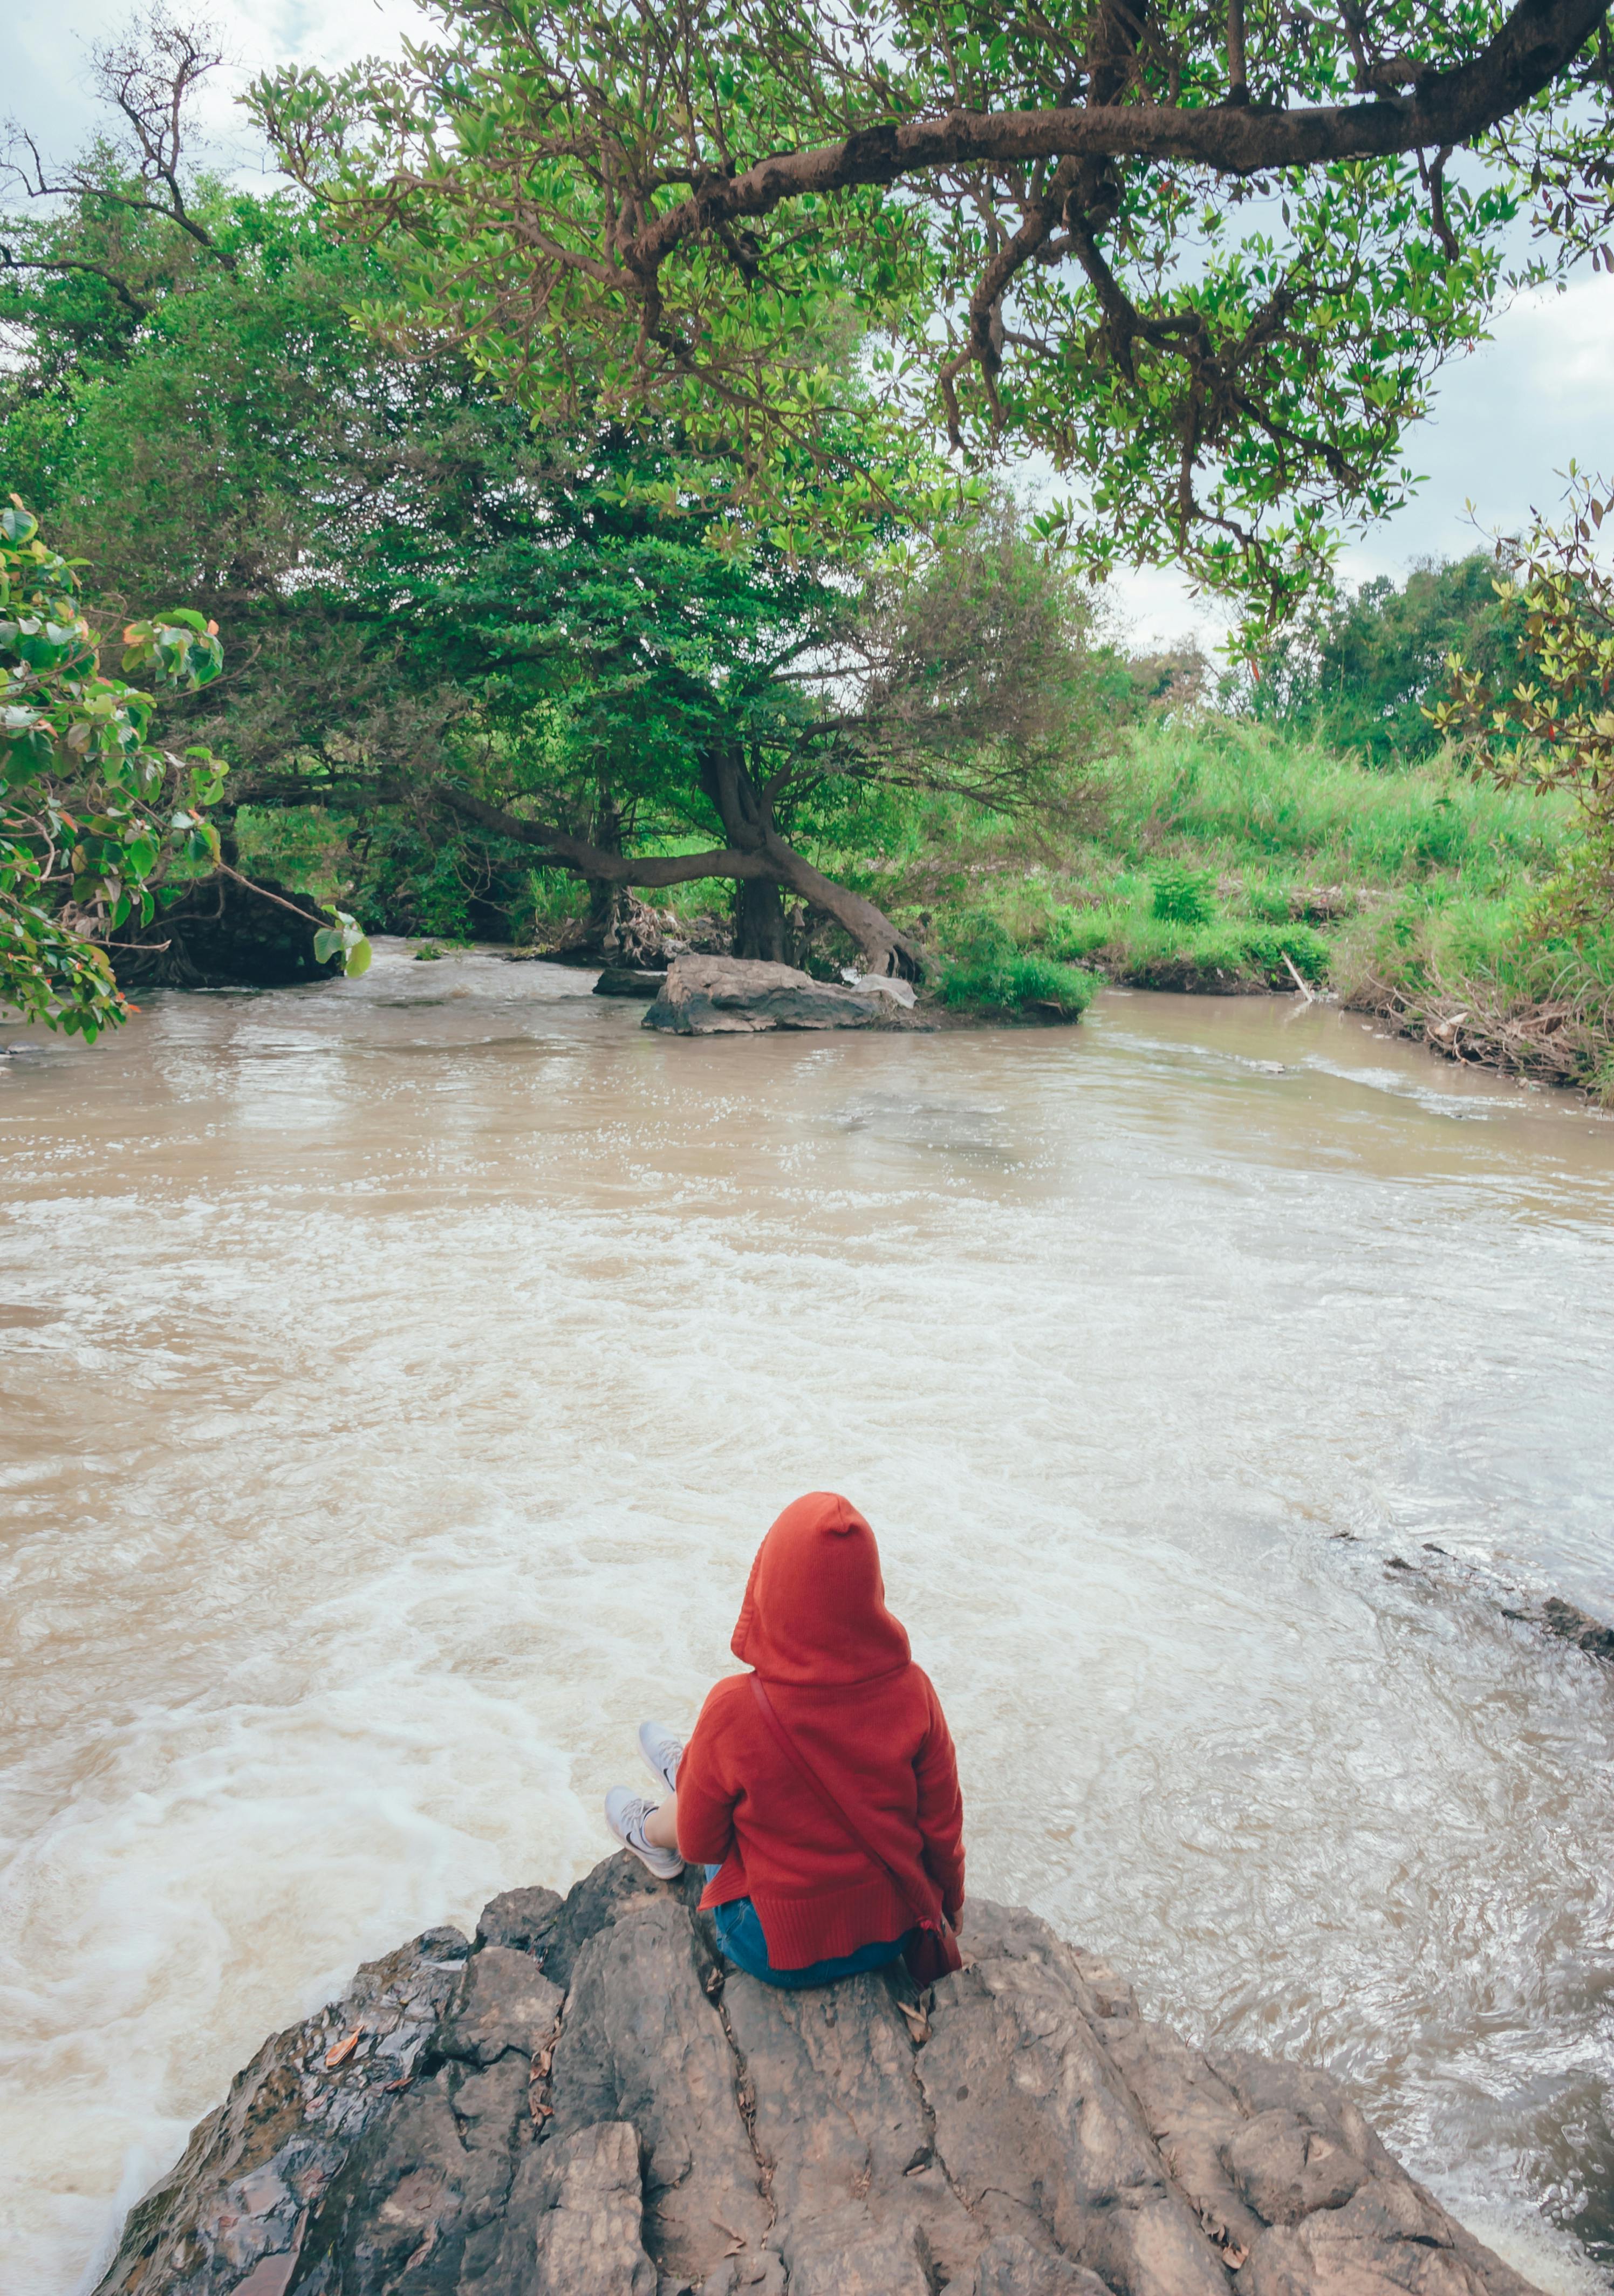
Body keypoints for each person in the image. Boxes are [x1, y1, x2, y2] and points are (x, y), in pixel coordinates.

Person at [604, 1490, 965, 1990]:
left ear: (770, 1585)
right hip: (892, 1932)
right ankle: (690, 1775)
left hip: (772, 1947)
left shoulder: (734, 1709)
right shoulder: (915, 1692)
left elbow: (702, 1844)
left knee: (702, 1808)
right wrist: (953, 1905)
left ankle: (656, 1826)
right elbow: (943, 1828)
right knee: (732, 1769)